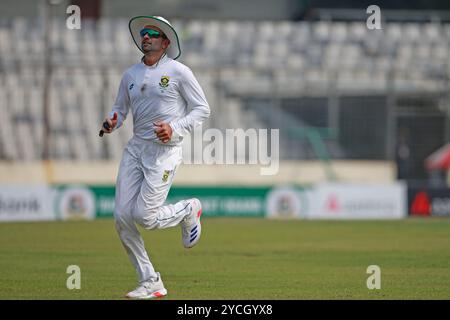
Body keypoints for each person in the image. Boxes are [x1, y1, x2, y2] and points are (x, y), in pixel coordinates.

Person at [100, 16, 210, 299]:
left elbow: (202, 109)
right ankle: (150, 281)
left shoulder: (180, 71)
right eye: (143, 33)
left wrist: (174, 128)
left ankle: (188, 210)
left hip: (165, 152)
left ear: (166, 42)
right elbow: (119, 108)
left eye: (152, 33)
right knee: (122, 216)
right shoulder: (131, 75)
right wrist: (113, 121)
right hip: (136, 150)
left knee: (144, 217)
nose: (145, 36)